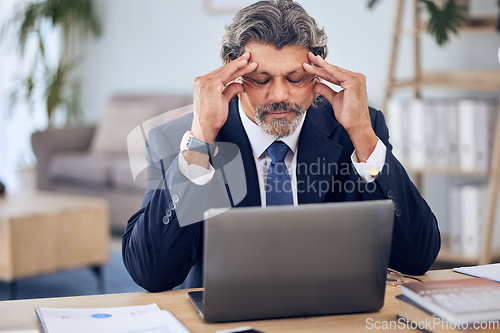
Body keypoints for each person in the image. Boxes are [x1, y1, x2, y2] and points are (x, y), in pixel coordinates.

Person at [122, 0, 440, 292]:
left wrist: (364, 137)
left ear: (318, 72)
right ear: (233, 73)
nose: (278, 96)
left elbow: (417, 257)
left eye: (295, 78)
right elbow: (152, 273)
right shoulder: (181, 139)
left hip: (331, 314)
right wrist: (201, 142)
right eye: (261, 79)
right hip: (228, 317)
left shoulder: (356, 129)